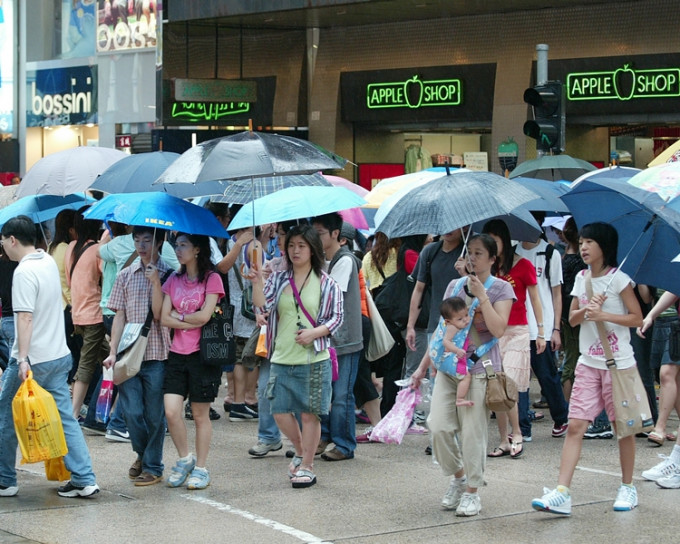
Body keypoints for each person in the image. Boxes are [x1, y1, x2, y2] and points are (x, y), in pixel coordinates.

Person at [532, 222, 643, 515]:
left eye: (589, 242)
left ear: (603, 247)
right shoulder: (581, 278)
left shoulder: (620, 280)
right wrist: (586, 310)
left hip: (618, 365)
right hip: (588, 364)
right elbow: (572, 319)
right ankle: (562, 491)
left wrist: (604, 314)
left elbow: (636, 318)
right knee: (576, 425)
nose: (583, 247)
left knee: (623, 428)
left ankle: (628, 487)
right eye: (581, 242)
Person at [411, 233, 514, 517]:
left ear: (493, 259)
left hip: (479, 370)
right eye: (470, 252)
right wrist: (422, 367)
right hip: (448, 368)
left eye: (479, 253)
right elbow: (442, 331)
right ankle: (459, 477)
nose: (472, 258)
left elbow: (499, 330)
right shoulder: (455, 286)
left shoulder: (501, 289)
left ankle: (472, 492)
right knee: (438, 426)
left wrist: (482, 297)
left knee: (473, 434)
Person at [0, 215, 99, 498]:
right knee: (65, 418)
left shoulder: (23, 272)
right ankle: (84, 478)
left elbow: (26, 318)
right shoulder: (45, 261)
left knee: (5, 415)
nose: (3, 246)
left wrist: (21, 359)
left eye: (3, 241)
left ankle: (5, 479)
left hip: (32, 360)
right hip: (59, 355)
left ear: (12, 240)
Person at [248, 224, 343, 488]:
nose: (295, 250)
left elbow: (337, 318)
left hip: (314, 358)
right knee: (278, 410)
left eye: (301, 245)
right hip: (281, 355)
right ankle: (301, 450)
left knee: (310, 414)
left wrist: (314, 333)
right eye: (291, 245)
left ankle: (308, 465)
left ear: (312, 249)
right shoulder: (279, 279)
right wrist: (257, 281)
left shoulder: (326, 283)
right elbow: (263, 305)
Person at [103, 226, 172, 486]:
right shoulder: (125, 275)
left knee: (155, 414)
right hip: (128, 354)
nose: (141, 245)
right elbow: (119, 315)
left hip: (157, 352)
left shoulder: (169, 275)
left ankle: (153, 466)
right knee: (131, 412)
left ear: (159, 243)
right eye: (137, 240)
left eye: (147, 240)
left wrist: (156, 282)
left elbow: (158, 315)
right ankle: (143, 455)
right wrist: (112, 351)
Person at [161, 233, 224, 490]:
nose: (178, 249)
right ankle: (185, 458)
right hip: (177, 353)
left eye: (183, 245)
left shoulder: (212, 278)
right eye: (176, 245)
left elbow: (206, 317)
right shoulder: (173, 280)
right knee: (171, 410)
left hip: (203, 355)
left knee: (200, 415)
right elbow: (164, 318)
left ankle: (201, 467)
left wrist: (181, 315)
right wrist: (190, 317)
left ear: (197, 249)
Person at [483, 219, 544, 457]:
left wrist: (541, 332)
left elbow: (536, 299)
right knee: (496, 386)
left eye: (494, 241)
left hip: (518, 331)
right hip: (492, 332)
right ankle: (503, 439)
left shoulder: (523, 265)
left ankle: (516, 432)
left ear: (504, 241)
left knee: (508, 384)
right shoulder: (488, 269)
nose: (490, 245)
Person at [312, 213, 363, 462]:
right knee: (322, 393)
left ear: (336, 235)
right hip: (323, 339)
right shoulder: (319, 260)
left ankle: (344, 445)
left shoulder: (345, 260)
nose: (316, 238)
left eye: (320, 233)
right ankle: (323, 436)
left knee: (342, 395)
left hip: (345, 340)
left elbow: (332, 294)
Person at [515, 214, 569, 440]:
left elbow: (557, 293)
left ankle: (561, 417)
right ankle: (522, 426)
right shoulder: (512, 253)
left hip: (542, 327)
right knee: (520, 378)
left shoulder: (550, 253)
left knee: (547, 375)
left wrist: (555, 328)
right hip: (517, 325)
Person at [65, 208, 109, 420]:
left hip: (77, 314)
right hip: (95, 314)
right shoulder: (97, 250)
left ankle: (102, 407)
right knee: (87, 363)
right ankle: (74, 412)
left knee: (108, 357)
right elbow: (106, 277)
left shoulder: (71, 247)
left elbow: (70, 279)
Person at [637, 290, 680, 449]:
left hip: (675, 322)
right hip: (668, 324)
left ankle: (660, 427)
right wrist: (651, 315)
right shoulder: (666, 268)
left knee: (667, 373)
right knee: (673, 379)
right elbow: (673, 289)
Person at [435, 297, 473, 406]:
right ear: (448, 321)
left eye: (466, 315)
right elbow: (446, 341)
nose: (465, 320)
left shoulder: (454, 324)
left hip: (446, 360)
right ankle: (460, 399)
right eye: (460, 319)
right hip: (450, 360)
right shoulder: (452, 327)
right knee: (466, 376)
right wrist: (457, 350)